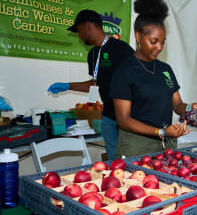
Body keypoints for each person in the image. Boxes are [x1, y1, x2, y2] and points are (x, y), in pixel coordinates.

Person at [109, 0, 197, 158]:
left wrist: (190, 108)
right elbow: (124, 120)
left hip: (167, 145)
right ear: (138, 37)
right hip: (136, 147)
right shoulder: (124, 71)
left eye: (163, 42)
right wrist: (161, 132)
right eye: (154, 41)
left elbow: (177, 104)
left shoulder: (165, 69)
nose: (159, 47)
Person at [47, 10, 134, 161]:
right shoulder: (93, 54)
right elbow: (96, 83)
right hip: (108, 117)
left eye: (79, 31)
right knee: (114, 160)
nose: (79, 36)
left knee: (131, 158)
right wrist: (68, 85)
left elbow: (137, 81)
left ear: (88, 26)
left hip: (127, 116)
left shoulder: (121, 49)